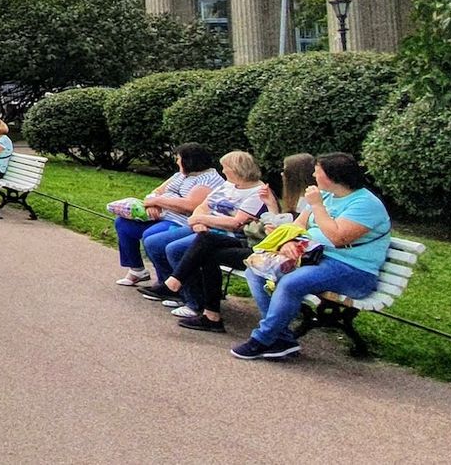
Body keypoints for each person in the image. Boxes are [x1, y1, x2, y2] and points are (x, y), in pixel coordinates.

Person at [235, 152, 392, 360]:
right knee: (256, 269)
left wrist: (317, 206)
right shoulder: (326, 195)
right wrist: (289, 242)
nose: (314, 176)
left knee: (292, 282)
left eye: (317, 172)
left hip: (354, 271)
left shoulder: (365, 204)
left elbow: (338, 237)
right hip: (315, 258)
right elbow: (298, 225)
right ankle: (281, 338)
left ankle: (262, 339)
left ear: (332, 176)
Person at [162, 151, 272, 332]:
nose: (223, 171)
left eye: (226, 168)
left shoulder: (258, 192)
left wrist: (202, 221)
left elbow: (236, 223)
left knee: (195, 246)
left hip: (240, 239)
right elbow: (202, 206)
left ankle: (178, 286)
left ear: (237, 170)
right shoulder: (229, 185)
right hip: (211, 231)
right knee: (206, 250)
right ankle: (210, 315)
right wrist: (198, 220)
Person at [119, 143, 225, 299]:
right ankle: (137, 269)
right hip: (162, 215)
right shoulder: (180, 175)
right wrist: (152, 202)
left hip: (180, 221)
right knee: (123, 224)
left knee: (152, 236)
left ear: (189, 161)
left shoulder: (208, 180)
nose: (176, 162)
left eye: (178, 159)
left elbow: (190, 206)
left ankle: (167, 284)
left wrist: (159, 201)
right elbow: (156, 191)